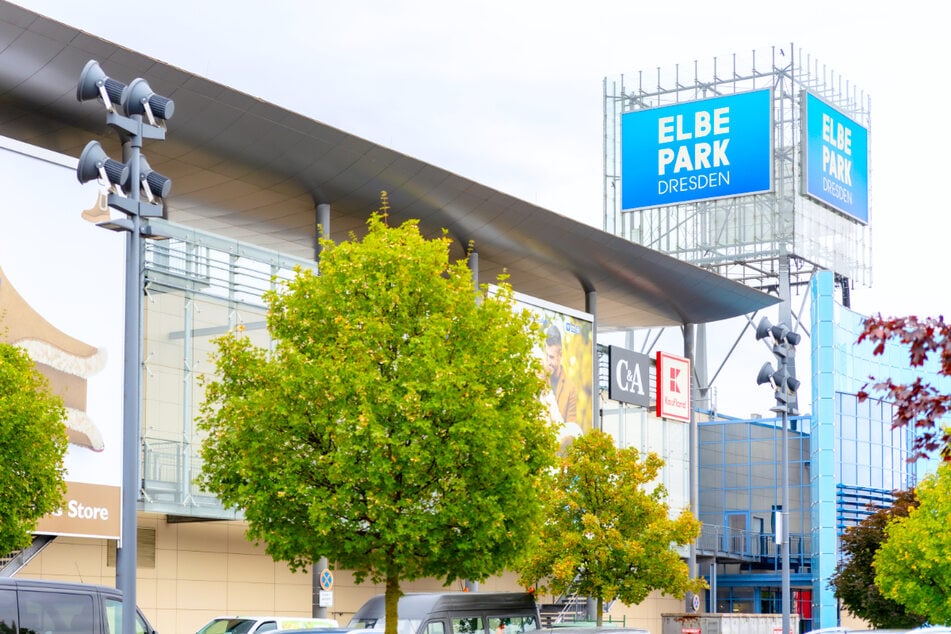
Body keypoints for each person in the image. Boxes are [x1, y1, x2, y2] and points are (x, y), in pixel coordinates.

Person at [545, 325, 577, 425]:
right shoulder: (539, 380)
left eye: (551, 357)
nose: (548, 362)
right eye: (547, 356)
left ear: (560, 355)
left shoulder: (571, 389)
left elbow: (572, 428)